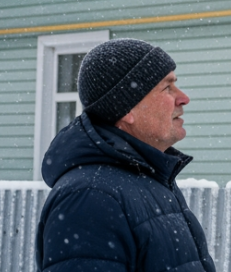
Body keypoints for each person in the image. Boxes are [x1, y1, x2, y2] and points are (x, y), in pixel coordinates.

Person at [36, 38, 215, 271]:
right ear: (126, 108)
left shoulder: (147, 180)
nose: (183, 98)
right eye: (167, 87)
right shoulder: (92, 196)